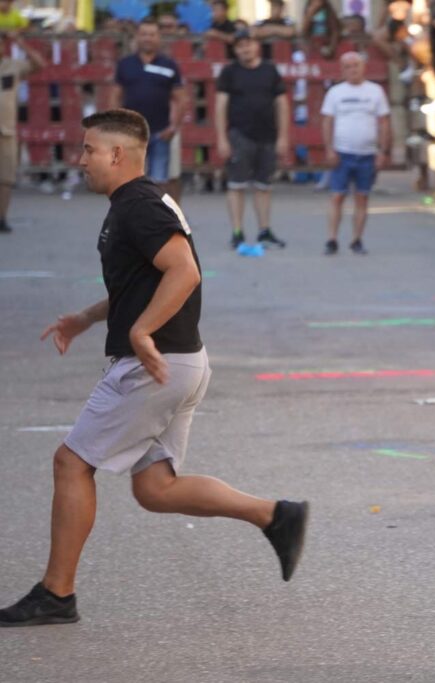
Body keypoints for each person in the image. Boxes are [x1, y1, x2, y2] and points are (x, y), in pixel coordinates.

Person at [0, 109, 309, 628]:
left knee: (71, 463)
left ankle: (56, 594)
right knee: (155, 489)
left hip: (154, 365)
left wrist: (140, 332)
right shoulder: (141, 201)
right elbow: (141, 280)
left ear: (117, 154)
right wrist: (87, 317)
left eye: (88, 150)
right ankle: (275, 514)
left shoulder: (138, 205)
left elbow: (184, 271)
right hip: (183, 362)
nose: (80, 161)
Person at [215, 29, 289, 249]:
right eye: (240, 45)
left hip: (268, 135)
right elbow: (221, 106)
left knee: (264, 186)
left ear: (257, 45)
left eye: (249, 43)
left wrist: (283, 136)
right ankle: (237, 232)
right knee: (236, 185)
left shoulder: (270, 70)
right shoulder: (229, 72)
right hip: (240, 135)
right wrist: (222, 138)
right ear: (235, 50)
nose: (245, 48)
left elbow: (282, 104)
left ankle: (264, 230)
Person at [320, 52, 391, 256]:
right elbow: (327, 121)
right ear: (342, 70)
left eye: (356, 65)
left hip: (367, 153)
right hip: (342, 152)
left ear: (363, 67)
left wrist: (382, 151)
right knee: (337, 196)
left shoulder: (375, 91)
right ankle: (331, 238)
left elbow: (384, 122)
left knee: (362, 197)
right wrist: (329, 148)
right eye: (348, 66)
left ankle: (357, 239)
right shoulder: (335, 92)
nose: (353, 70)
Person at [113, 18, 188, 202]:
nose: (148, 38)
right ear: (138, 37)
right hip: (131, 133)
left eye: (152, 34)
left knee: (160, 182)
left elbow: (182, 99)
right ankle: (133, 221)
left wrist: (173, 127)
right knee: (129, 180)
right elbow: (115, 96)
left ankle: (159, 222)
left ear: (159, 38)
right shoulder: (125, 64)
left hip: (161, 131)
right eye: (144, 34)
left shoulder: (169, 65)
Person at [0, 34, 44, 234]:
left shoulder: (13, 66)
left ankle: (1, 218)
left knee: (6, 178)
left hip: (6, 130)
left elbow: (39, 63)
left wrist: (20, 41)